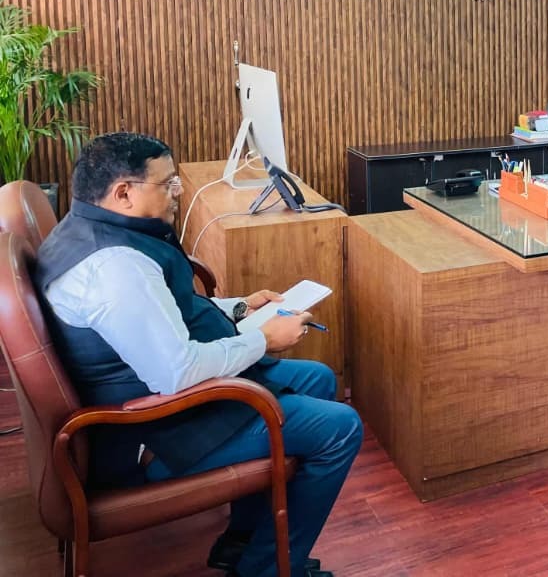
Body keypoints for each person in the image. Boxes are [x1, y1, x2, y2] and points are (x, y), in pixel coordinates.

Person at [35, 132, 361, 577]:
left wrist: (241, 307)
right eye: (166, 183)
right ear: (124, 193)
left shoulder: (87, 231)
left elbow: (163, 311)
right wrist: (265, 340)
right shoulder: (115, 269)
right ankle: (266, 569)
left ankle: (241, 541)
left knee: (318, 379)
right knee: (340, 428)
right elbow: (177, 372)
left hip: (155, 403)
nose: (177, 192)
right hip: (151, 433)